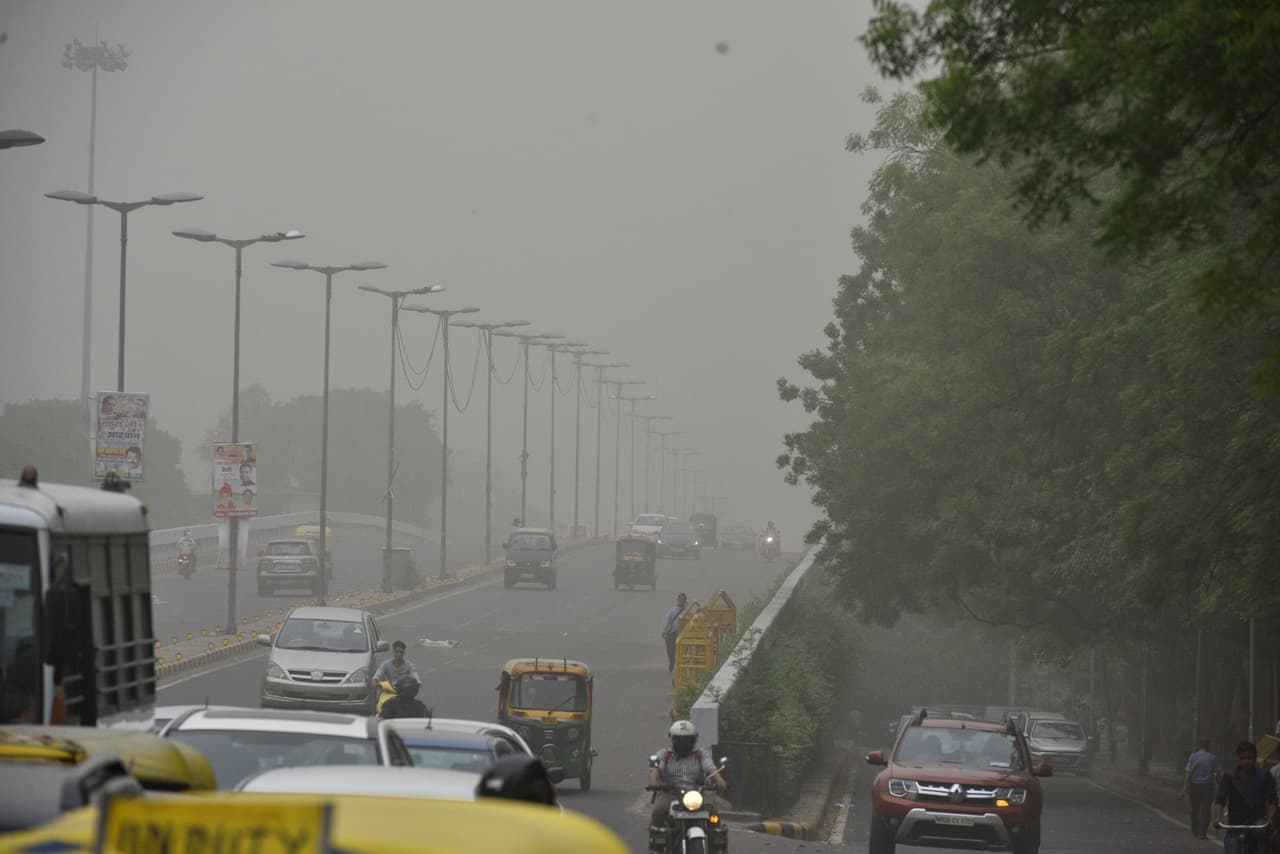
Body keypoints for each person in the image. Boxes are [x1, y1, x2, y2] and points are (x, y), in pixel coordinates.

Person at [647, 720, 727, 851]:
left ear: (694, 740)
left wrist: (720, 781)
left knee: (713, 812)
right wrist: (654, 784)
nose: (684, 744)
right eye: (679, 740)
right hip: (670, 793)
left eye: (688, 740)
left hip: (696, 793)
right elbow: (656, 769)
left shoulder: (701, 754)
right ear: (673, 739)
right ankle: (656, 845)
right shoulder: (664, 754)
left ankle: (717, 844)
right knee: (659, 810)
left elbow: (710, 768)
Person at [1213, 740, 1277, 853]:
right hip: (1235, 824)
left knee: (1262, 840)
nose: (1246, 761)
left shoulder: (1264, 775)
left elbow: (1273, 800)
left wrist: (1271, 818)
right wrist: (1218, 817)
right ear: (1238, 759)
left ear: (1255, 758)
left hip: (1257, 823)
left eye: (1249, 758)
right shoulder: (1229, 776)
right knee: (1232, 848)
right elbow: (1220, 799)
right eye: (1242, 758)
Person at [1183, 738, 1221, 840]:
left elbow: (1188, 772)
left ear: (1199, 746)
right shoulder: (1212, 757)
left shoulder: (1193, 756)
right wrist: (1220, 785)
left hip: (1194, 786)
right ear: (1208, 746)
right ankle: (1202, 832)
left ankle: (1195, 829)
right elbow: (1217, 773)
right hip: (1208, 786)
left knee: (1194, 809)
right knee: (1206, 809)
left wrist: (1184, 787)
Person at [661, 593, 687, 673]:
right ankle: (672, 662)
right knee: (670, 650)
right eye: (680, 599)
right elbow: (667, 620)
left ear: (685, 601)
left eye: (683, 599)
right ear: (678, 600)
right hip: (671, 633)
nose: (681, 601)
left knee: (679, 651)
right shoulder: (673, 610)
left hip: (681, 634)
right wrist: (664, 630)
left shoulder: (687, 610)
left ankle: (678, 665)